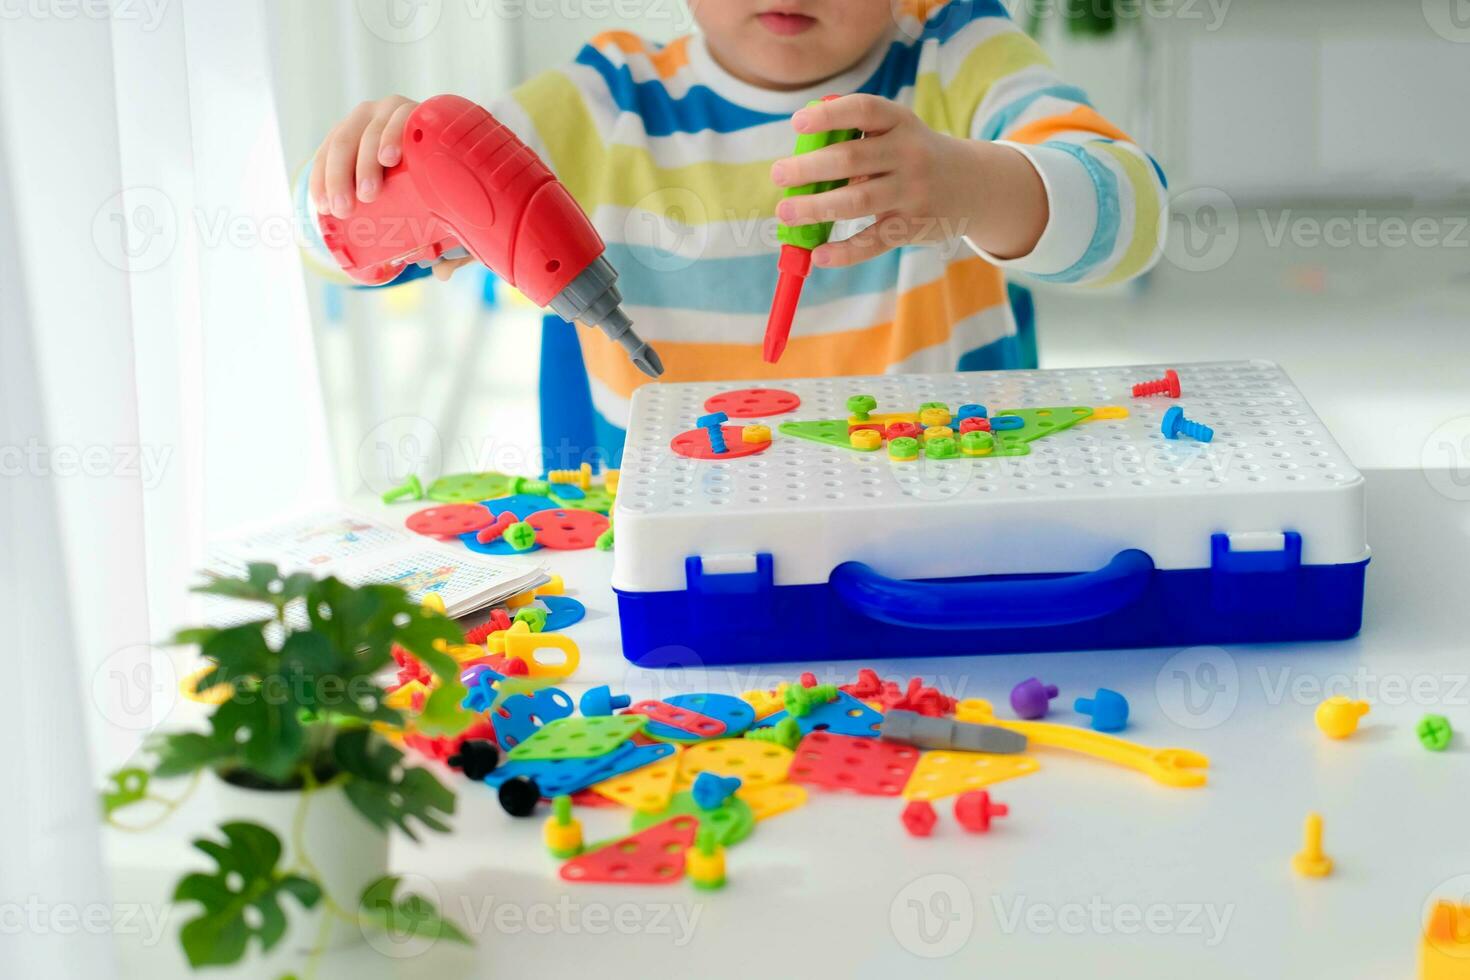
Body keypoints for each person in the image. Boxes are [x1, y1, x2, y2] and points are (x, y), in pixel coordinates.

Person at [306, 0, 1167, 455]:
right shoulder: (600, 99)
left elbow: (1137, 217)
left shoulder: (955, 51)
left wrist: (971, 185)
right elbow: (337, 252)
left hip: (937, 539)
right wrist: (372, 171)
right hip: (668, 571)